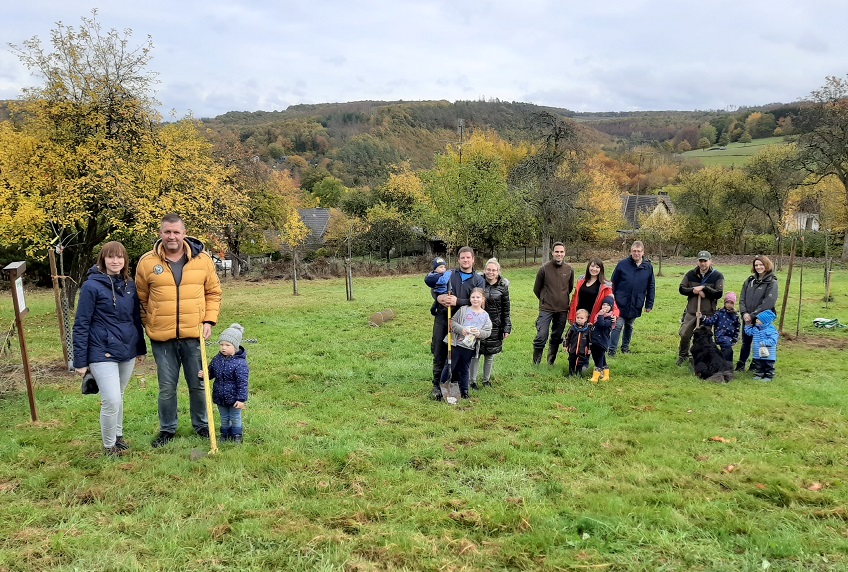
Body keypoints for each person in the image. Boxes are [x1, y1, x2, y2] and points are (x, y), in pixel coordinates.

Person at [136, 214, 223, 447]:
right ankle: (167, 429)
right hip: (162, 338)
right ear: (160, 233)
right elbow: (141, 299)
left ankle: (202, 425)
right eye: (167, 232)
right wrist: (150, 322)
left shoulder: (202, 260)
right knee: (167, 387)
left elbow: (213, 293)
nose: (171, 236)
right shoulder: (147, 262)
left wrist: (209, 321)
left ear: (184, 234)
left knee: (198, 384)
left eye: (176, 232)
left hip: (194, 336)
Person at [72, 241, 147, 457]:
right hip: (101, 350)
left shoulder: (129, 285)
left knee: (120, 395)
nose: (115, 261)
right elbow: (82, 323)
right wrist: (80, 361)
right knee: (111, 399)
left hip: (127, 349)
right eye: (111, 257)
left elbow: (135, 319)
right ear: (103, 259)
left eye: (119, 257)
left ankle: (118, 436)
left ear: (125, 260)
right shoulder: (91, 286)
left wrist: (140, 349)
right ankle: (108, 446)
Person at [425, 247, 485, 400]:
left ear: (473, 259)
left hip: (463, 325)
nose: (465, 260)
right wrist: (438, 298)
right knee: (439, 353)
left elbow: (480, 301)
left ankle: (455, 384)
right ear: (458, 260)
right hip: (443, 318)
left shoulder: (478, 280)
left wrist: (458, 301)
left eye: (468, 258)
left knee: (459, 355)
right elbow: (435, 287)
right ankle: (437, 386)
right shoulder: (449, 274)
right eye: (462, 258)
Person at [439, 288, 492, 399]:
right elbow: (452, 322)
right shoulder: (464, 310)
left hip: (469, 347)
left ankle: (465, 391)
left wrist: (479, 333)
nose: (475, 299)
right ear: (470, 299)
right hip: (456, 345)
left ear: (483, 299)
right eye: (473, 297)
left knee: (465, 369)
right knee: (450, 366)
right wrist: (461, 329)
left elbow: (487, 332)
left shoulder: (485, 316)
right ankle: (442, 389)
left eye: (478, 297)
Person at [201, 323, 249, 443]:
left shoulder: (240, 364)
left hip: (234, 398)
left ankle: (237, 435)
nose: (223, 347)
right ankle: (225, 434)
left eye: (227, 345)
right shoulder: (217, 359)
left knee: (235, 417)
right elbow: (211, 373)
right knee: (224, 417)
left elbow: (242, 383)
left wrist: (241, 399)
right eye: (221, 344)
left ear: (236, 346)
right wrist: (204, 375)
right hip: (220, 396)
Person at [470, 258, 511, 388]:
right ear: (484, 270)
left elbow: (506, 309)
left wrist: (507, 327)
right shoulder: (478, 284)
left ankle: (486, 380)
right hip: (477, 324)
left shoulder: (503, 288)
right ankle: (472, 381)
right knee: (475, 353)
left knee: (490, 355)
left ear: (498, 272)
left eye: (494, 270)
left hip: (494, 325)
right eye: (488, 269)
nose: (491, 272)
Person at [677, 251, 724, 366]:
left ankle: (702, 358)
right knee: (684, 334)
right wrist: (693, 290)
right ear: (697, 261)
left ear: (710, 261)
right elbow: (682, 289)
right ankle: (683, 355)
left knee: (705, 337)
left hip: (707, 313)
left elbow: (719, 293)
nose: (703, 264)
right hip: (692, 311)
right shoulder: (690, 274)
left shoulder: (717, 276)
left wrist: (704, 289)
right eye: (700, 261)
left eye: (705, 261)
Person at [608, 241, 655, 356]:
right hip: (620, 301)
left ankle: (625, 348)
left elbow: (651, 286)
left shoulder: (648, 267)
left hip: (636, 302)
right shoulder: (622, 264)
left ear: (643, 252)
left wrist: (649, 304)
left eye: (639, 251)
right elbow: (613, 283)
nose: (636, 253)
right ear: (631, 251)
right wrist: (610, 300)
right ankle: (612, 350)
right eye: (634, 251)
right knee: (617, 325)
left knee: (629, 325)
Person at [532, 242, 574, 366]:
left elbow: (569, 288)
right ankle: (536, 362)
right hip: (546, 308)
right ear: (552, 253)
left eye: (561, 252)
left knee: (556, 336)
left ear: (564, 253)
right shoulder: (544, 269)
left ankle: (551, 361)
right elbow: (536, 289)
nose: (559, 254)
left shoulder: (569, 270)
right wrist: (545, 299)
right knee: (541, 336)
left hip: (562, 309)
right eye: (557, 251)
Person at [736, 255, 779, 372]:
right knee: (746, 342)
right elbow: (742, 298)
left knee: (760, 342)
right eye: (756, 265)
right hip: (747, 317)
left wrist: (753, 315)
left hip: (762, 319)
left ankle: (758, 365)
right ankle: (741, 364)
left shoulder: (772, 282)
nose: (758, 267)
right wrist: (744, 313)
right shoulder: (749, 281)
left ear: (766, 265)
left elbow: (768, 303)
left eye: (761, 264)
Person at [568, 258, 618, 326]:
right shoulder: (581, 280)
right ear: (588, 267)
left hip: (593, 320)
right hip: (579, 318)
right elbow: (574, 299)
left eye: (597, 267)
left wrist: (615, 314)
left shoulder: (605, 285)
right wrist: (571, 315)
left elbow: (611, 302)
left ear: (601, 269)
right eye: (592, 266)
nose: (594, 269)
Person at [700, 292, 741, 365]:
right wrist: (702, 318)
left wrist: (735, 338)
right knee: (727, 348)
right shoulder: (719, 313)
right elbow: (711, 321)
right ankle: (727, 365)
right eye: (727, 302)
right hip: (720, 336)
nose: (729, 305)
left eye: (731, 303)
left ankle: (725, 364)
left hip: (730, 337)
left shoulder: (735, 316)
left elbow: (737, 328)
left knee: (727, 350)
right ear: (725, 303)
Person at [744, 309, 778, 381]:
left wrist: (765, 343)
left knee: (768, 365)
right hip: (758, 353)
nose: (756, 321)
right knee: (759, 364)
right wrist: (747, 325)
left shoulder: (771, 330)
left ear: (764, 322)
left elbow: (773, 340)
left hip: (768, 353)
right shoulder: (756, 329)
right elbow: (749, 332)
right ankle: (759, 374)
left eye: (759, 320)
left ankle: (769, 376)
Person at [589, 296, 616, 382]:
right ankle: (606, 374)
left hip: (602, 342)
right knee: (597, 357)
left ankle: (596, 377)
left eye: (607, 305)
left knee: (600, 359)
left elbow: (602, 325)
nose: (604, 306)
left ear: (611, 307)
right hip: (594, 341)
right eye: (603, 304)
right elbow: (596, 326)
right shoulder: (598, 316)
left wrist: (600, 315)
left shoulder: (610, 318)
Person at [564, 309, 592, 377]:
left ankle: (578, 373)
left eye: (581, 318)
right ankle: (571, 373)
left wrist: (589, 349)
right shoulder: (572, 328)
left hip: (582, 350)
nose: (579, 319)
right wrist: (565, 346)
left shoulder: (588, 329)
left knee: (580, 362)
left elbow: (590, 340)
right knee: (571, 361)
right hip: (572, 349)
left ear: (586, 319)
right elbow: (567, 337)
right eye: (578, 318)